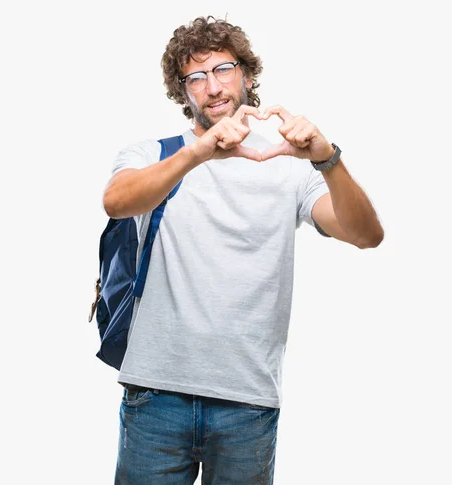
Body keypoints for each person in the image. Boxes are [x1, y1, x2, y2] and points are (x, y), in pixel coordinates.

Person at [102, 15, 384, 485]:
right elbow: (116, 201)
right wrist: (199, 152)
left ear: (247, 76)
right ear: (182, 90)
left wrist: (326, 158)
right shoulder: (155, 154)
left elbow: (366, 234)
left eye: (223, 70)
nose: (212, 87)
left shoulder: (287, 166)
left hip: (248, 401)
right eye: (196, 76)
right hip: (155, 395)